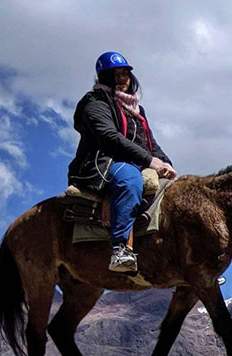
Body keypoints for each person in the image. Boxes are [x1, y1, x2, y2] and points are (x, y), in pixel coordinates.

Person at [68, 51, 176, 273]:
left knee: (177, 193)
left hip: (137, 161)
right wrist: (149, 160)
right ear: (104, 77)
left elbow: (149, 142)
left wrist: (165, 162)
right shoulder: (95, 103)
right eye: (115, 73)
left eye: (125, 72)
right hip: (105, 163)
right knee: (130, 181)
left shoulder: (137, 110)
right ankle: (120, 249)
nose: (122, 78)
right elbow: (109, 137)